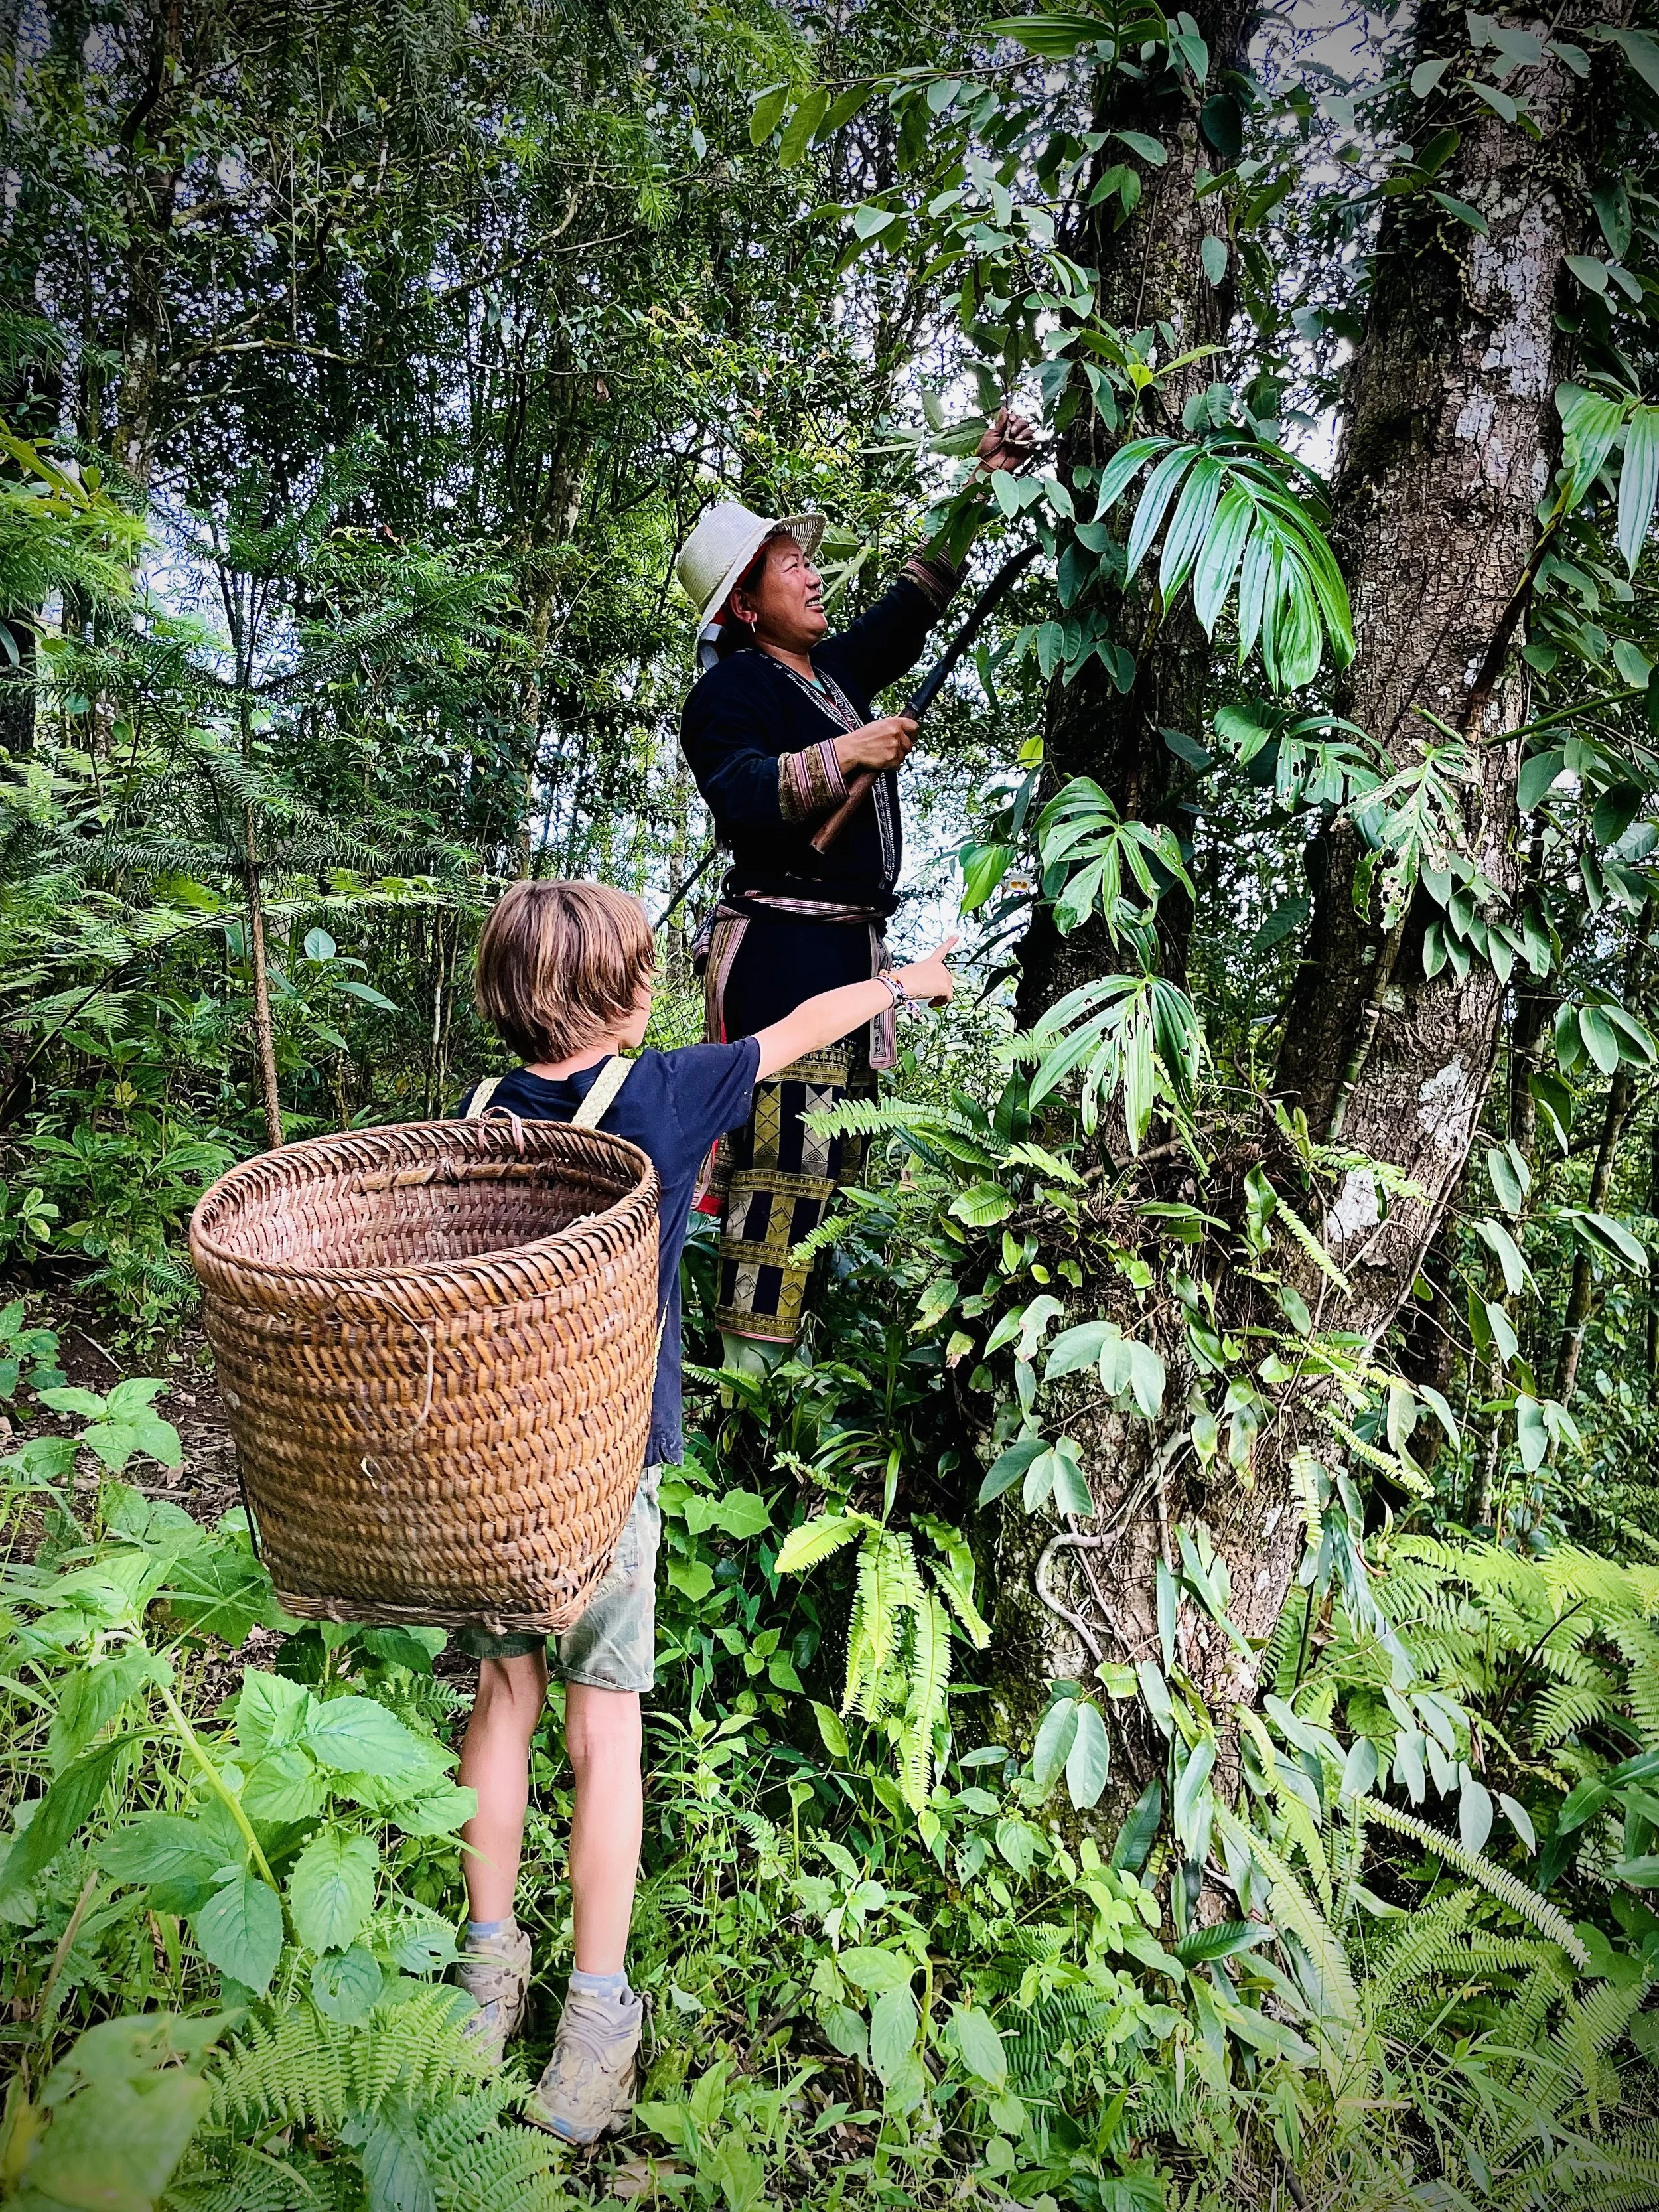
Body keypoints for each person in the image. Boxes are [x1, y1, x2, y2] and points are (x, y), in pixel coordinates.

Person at [446, 877, 958, 2143]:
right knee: (602, 1735)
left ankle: (482, 1978)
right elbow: (804, 1027)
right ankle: (598, 2017)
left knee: (501, 1705)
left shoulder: (477, 1116)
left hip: (489, 1481)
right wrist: (907, 984)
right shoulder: (665, 1095)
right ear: (627, 1000)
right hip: (605, 1471)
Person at [676, 407, 1033, 1368]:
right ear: (745, 607)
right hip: (782, 956)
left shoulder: (830, 670)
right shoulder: (727, 694)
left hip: (843, 948)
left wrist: (979, 488)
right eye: (791, 564)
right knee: (782, 1170)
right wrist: (845, 754)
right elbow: (744, 796)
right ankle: (750, 1384)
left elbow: (912, 606)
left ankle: (796, 1378)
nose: (813, 572)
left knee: (830, 1168)